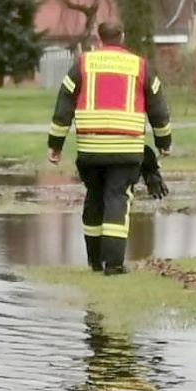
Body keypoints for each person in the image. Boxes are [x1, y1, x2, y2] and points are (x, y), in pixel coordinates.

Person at [47, 22, 172, 276]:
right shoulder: (139, 66)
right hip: (126, 149)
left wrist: (55, 145)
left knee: (94, 197)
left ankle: (94, 262)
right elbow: (158, 108)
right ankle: (114, 265)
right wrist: (164, 143)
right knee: (117, 199)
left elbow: (64, 105)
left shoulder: (83, 64)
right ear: (122, 37)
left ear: (98, 38)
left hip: (91, 149)